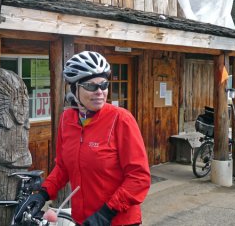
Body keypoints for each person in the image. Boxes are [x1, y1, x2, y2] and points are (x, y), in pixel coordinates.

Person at [15, 51, 151, 225]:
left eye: (104, 85)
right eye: (91, 86)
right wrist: (43, 194)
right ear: (74, 89)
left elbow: (139, 178)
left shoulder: (121, 119)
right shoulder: (67, 120)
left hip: (118, 220)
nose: (100, 92)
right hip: (82, 219)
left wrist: (105, 214)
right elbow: (63, 167)